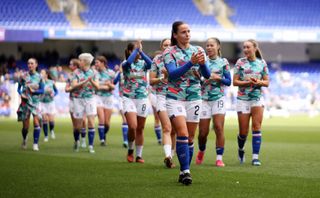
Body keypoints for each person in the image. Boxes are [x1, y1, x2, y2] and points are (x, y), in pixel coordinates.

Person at [163, 21, 210, 185]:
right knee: (182, 134)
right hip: (175, 98)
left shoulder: (198, 50)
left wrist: (203, 64)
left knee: (190, 138)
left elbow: (207, 75)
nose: (187, 34)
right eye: (183, 32)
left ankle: (184, 170)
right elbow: (173, 75)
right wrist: (191, 62)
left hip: (194, 97)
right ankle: (186, 171)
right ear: (175, 35)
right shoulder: (169, 52)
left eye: (189, 31)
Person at [195, 37, 231, 167]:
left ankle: (219, 158)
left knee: (218, 127)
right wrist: (201, 80)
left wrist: (218, 77)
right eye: (207, 45)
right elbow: (197, 80)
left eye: (211, 45)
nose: (209, 48)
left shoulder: (223, 62)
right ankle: (201, 151)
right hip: (204, 100)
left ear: (218, 47)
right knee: (202, 133)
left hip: (218, 98)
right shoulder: (201, 62)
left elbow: (228, 81)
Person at [233, 39, 269, 166]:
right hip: (243, 99)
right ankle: (241, 149)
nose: (245, 50)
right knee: (243, 132)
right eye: (244, 47)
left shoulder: (262, 63)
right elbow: (235, 82)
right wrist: (248, 83)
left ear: (255, 48)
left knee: (257, 127)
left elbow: (267, 82)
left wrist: (259, 83)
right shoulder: (240, 62)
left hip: (257, 98)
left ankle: (255, 157)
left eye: (248, 47)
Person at [122, 40, 152, 163]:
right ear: (129, 51)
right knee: (132, 126)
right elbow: (129, 62)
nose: (138, 52)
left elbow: (151, 63)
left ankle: (139, 155)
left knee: (140, 128)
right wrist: (136, 50)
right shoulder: (125, 63)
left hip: (142, 98)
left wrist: (141, 51)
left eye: (139, 50)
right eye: (134, 50)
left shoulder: (143, 63)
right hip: (129, 98)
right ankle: (130, 150)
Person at [149, 38, 176, 168]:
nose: (167, 47)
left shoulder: (179, 58)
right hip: (161, 96)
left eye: (170, 45)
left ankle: (172, 155)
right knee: (167, 127)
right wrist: (163, 78)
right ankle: (168, 156)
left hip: (176, 97)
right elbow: (151, 80)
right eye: (165, 45)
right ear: (161, 47)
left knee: (175, 130)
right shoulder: (157, 60)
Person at [71, 53, 99, 153]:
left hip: (90, 99)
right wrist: (84, 82)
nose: (79, 62)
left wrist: (91, 81)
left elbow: (98, 87)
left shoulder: (94, 72)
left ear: (86, 62)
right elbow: (74, 85)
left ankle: (91, 146)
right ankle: (77, 141)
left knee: (91, 122)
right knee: (78, 125)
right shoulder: (76, 72)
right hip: (78, 99)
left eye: (80, 60)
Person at [17, 58, 44, 151]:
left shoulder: (40, 77)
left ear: (36, 64)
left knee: (36, 122)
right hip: (25, 102)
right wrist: (21, 94)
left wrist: (34, 91)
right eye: (28, 63)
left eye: (32, 63)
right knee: (25, 126)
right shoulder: (23, 76)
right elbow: (18, 88)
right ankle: (24, 139)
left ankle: (35, 144)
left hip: (36, 102)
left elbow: (42, 90)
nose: (30, 65)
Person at [65, 59, 87, 148]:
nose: (69, 66)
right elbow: (66, 89)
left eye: (71, 64)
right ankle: (76, 140)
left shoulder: (84, 75)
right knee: (75, 123)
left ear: (75, 66)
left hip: (82, 100)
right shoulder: (70, 76)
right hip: (72, 100)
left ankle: (84, 140)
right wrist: (73, 87)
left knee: (84, 121)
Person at [94, 56, 115, 146]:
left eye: (97, 62)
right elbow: (96, 87)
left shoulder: (111, 73)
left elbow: (113, 87)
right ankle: (102, 140)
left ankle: (103, 134)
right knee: (101, 119)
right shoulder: (94, 74)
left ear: (103, 63)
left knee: (107, 123)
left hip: (108, 98)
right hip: (98, 97)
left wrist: (108, 85)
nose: (95, 64)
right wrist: (106, 86)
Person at [40, 69, 58, 142]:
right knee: (44, 119)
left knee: (51, 120)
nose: (41, 74)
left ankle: (52, 131)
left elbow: (56, 91)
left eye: (42, 73)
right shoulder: (39, 82)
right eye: (40, 73)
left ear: (46, 74)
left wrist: (53, 94)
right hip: (42, 102)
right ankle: (46, 136)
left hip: (50, 102)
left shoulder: (51, 82)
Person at [113, 64, 128, 148]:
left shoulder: (132, 73)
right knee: (125, 119)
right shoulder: (120, 74)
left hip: (132, 99)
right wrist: (119, 72)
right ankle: (125, 140)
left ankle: (132, 139)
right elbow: (114, 82)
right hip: (122, 98)